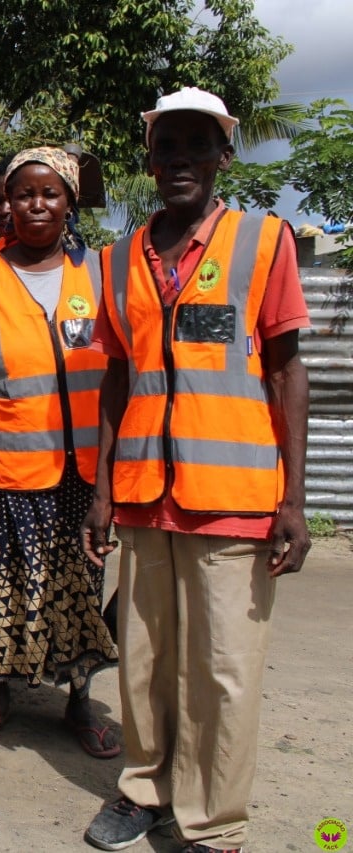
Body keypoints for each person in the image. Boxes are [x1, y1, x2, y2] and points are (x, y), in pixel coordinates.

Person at [83, 88, 311, 853]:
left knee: (224, 671)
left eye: (196, 146)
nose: (180, 159)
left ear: (223, 156)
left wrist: (295, 501)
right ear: (149, 161)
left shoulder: (263, 241)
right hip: (146, 496)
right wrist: (102, 489)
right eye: (166, 147)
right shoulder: (116, 262)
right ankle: (143, 789)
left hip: (236, 497)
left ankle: (214, 821)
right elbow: (117, 378)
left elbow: (287, 371)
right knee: (144, 664)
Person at [0, 147, 118, 756]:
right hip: (3, 462)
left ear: (69, 202)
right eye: (23, 194)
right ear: (7, 204)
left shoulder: (102, 270)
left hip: (83, 469)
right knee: (1, 586)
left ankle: (79, 699)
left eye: (50, 194)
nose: (36, 204)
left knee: (79, 589)